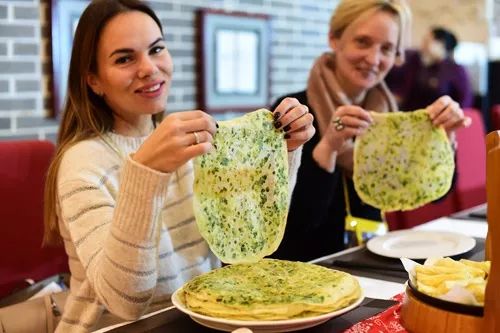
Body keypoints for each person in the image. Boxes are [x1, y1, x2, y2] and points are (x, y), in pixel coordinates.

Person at [42, 1, 314, 332]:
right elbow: (126, 302)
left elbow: (245, 239)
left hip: (203, 318)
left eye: (156, 49)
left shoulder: (188, 140)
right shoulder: (83, 162)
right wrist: (146, 173)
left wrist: (282, 151)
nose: (149, 68)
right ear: (94, 81)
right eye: (125, 58)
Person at [270, 0, 471, 262]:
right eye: (363, 42)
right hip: (307, 268)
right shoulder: (292, 112)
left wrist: (446, 138)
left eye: (386, 48)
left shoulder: (389, 114)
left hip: (374, 263)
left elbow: (435, 194)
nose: (374, 59)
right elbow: (293, 222)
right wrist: (329, 145)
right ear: (334, 39)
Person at [386, 26, 474, 111]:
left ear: (441, 44)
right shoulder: (414, 60)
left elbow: (464, 102)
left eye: (427, 40)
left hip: (439, 121)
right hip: (409, 116)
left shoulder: (456, 70)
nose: (422, 43)